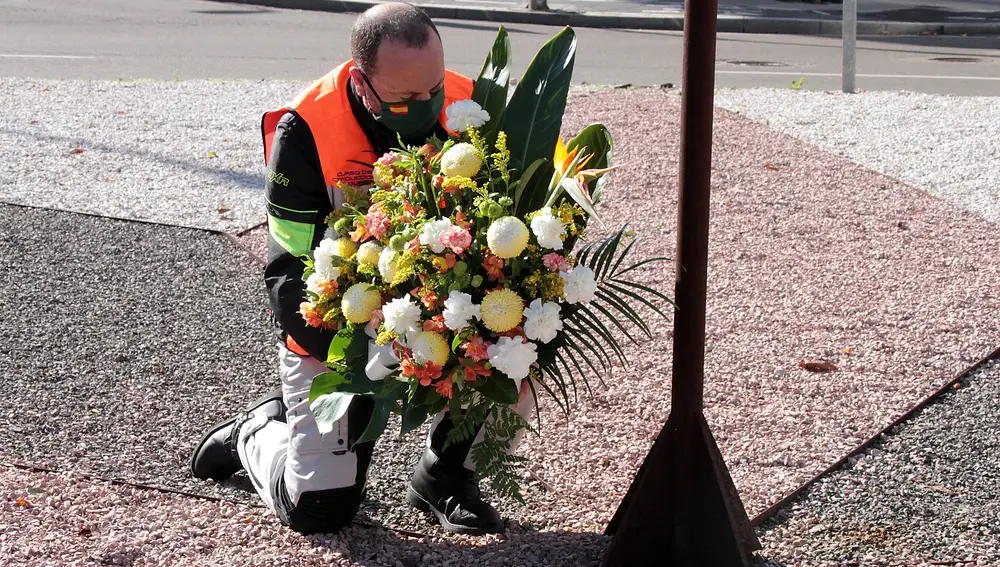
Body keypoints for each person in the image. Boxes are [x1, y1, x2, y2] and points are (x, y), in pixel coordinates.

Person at [189, 2, 533, 536]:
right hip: (341, 332)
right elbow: (288, 270)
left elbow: (536, 212)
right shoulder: (306, 130)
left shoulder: (475, 106)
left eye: (433, 89)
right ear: (361, 82)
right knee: (320, 511)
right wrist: (360, 363)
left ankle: (446, 475)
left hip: (449, 318)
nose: (426, 106)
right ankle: (256, 432)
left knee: (526, 341)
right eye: (404, 99)